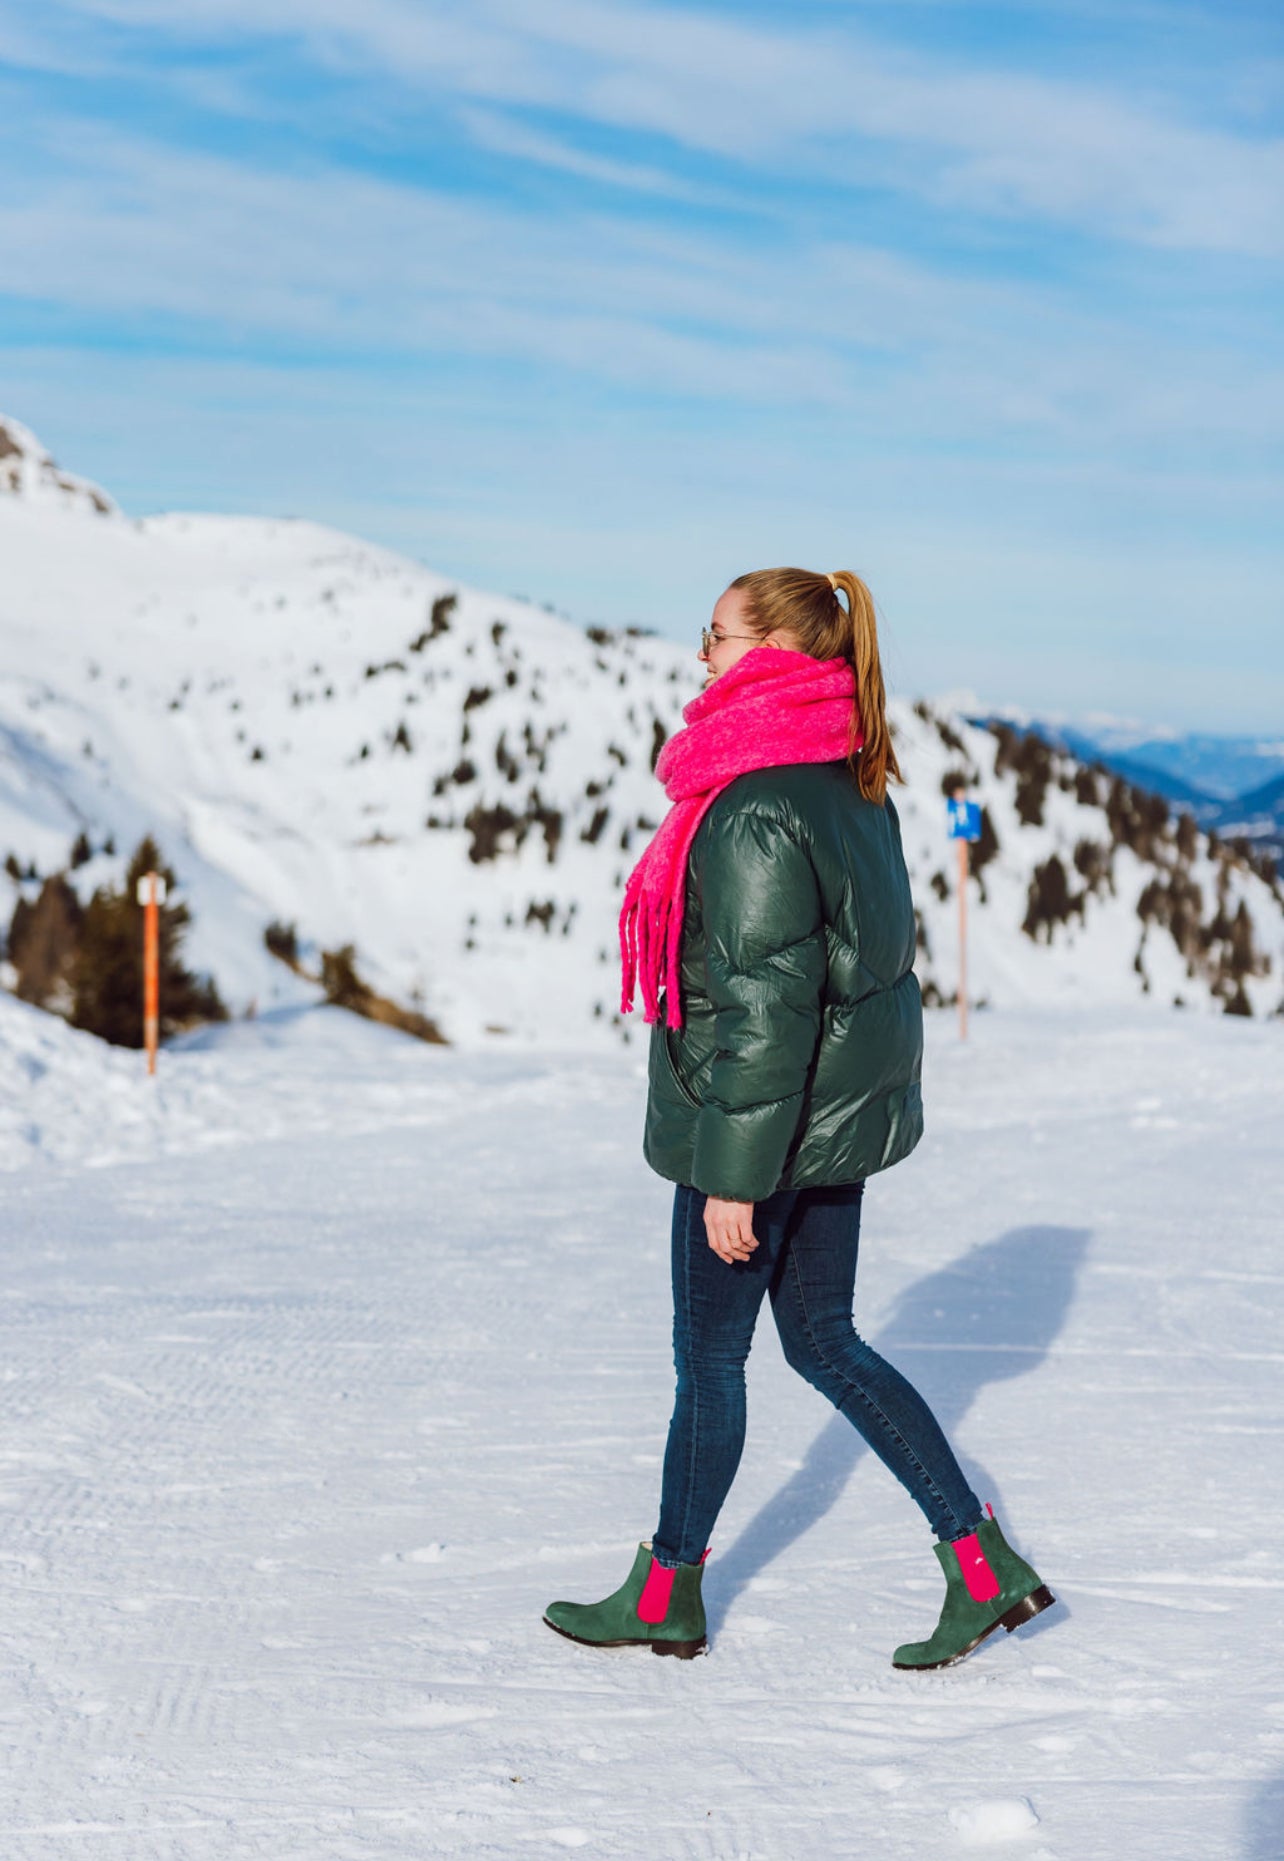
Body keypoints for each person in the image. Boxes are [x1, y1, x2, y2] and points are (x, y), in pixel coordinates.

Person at [543, 568, 1053, 1669]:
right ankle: (981, 1565)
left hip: (763, 1132)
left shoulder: (756, 804)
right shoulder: (846, 780)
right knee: (825, 1339)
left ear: (777, 650)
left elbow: (766, 1009)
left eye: (718, 636)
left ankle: (666, 1591)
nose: (701, 657)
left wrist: (734, 1174)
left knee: (710, 1361)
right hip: (828, 1126)